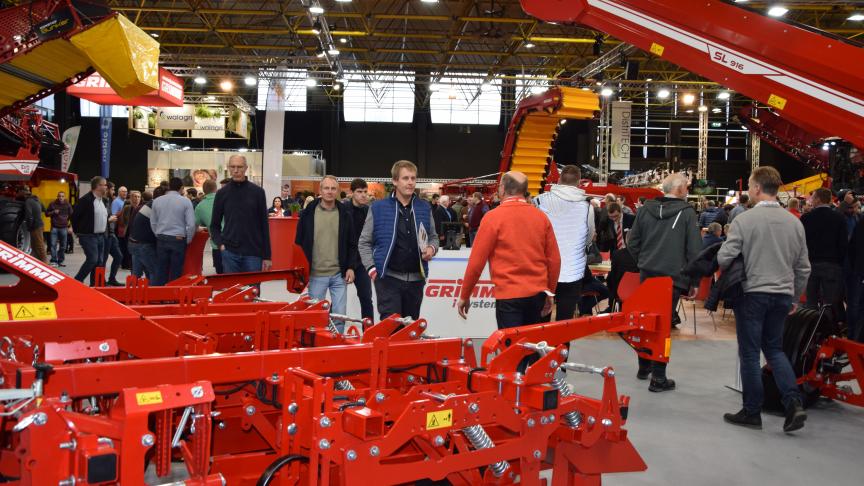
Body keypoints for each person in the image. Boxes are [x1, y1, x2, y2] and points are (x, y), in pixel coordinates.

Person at [717, 166, 810, 433]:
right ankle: (793, 403)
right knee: (775, 350)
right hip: (782, 296)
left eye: (749, 184)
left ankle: (752, 411)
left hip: (753, 294)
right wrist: (793, 296)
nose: (748, 189)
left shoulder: (744, 221)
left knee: (748, 353)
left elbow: (725, 257)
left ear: (757, 188)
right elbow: (803, 267)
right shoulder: (795, 222)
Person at [457, 171, 560, 328]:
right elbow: (554, 260)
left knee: (511, 349)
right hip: (537, 294)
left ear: (502, 189)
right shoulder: (541, 217)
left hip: (509, 296)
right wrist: (550, 291)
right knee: (532, 347)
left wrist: (465, 294)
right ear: (524, 190)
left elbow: (476, 263)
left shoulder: (492, 218)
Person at [628, 173, 702, 392]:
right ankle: (658, 377)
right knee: (663, 328)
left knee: (646, 323)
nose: (688, 190)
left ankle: (644, 367)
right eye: (686, 187)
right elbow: (695, 250)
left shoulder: (643, 210)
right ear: (679, 190)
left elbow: (632, 243)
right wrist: (694, 279)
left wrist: (643, 262)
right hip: (673, 278)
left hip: (647, 275)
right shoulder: (688, 214)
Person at [359, 160, 438, 321]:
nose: (410, 182)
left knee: (410, 330)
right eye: (405, 178)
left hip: (416, 281)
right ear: (395, 181)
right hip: (388, 280)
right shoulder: (378, 208)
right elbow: (364, 242)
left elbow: (434, 237)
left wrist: (431, 248)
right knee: (390, 328)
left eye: (413, 178)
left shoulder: (424, 207)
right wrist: (373, 270)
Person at [295, 175, 357, 330]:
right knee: (315, 317)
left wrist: (350, 267)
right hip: (316, 274)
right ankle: (316, 350)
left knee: (339, 317)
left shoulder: (345, 215)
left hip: (339, 275)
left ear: (337, 191)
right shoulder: (308, 214)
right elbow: (299, 242)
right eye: (326, 188)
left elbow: (352, 243)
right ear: (320, 190)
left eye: (333, 188)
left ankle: (337, 349)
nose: (330, 191)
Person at [534, 165, 595, 321]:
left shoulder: (539, 201)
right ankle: (563, 346)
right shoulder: (588, 207)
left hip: (544, 271)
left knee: (541, 321)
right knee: (565, 324)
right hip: (573, 272)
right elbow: (589, 237)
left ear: (559, 180)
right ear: (579, 183)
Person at [210, 155, 271, 274]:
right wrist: (220, 245)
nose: (236, 170)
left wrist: (267, 256)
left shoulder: (258, 192)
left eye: (239, 167)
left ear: (246, 168)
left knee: (253, 291)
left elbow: (264, 225)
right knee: (233, 291)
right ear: (228, 168)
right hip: (229, 252)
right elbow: (214, 225)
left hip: (253, 253)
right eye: (232, 167)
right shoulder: (222, 193)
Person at [800, 187, 847, 321]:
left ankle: (810, 333)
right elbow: (843, 244)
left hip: (810, 264)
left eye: (813, 197)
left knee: (810, 303)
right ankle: (827, 333)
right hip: (832, 265)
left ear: (818, 199)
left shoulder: (806, 218)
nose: (810, 200)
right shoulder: (839, 217)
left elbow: (801, 243)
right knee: (829, 303)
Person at [150, 177, 196, 285]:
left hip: (162, 238)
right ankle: (172, 297)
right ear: (182, 188)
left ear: (169, 187)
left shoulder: (157, 201)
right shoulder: (186, 201)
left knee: (161, 269)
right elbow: (191, 224)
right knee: (176, 271)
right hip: (178, 238)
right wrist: (188, 239)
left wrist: (158, 234)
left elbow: (153, 222)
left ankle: (159, 296)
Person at [71, 176, 110, 285]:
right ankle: (77, 280)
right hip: (88, 236)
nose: (106, 187)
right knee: (92, 259)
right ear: (98, 186)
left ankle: (95, 285)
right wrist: (77, 232)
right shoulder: (86, 200)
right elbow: (74, 217)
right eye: (104, 185)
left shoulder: (102, 200)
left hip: (101, 236)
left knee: (99, 262)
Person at [348, 178, 374, 320]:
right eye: (359, 192)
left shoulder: (369, 210)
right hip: (345, 262)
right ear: (352, 193)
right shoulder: (343, 210)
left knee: (366, 299)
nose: (363, 195)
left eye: (365, 192)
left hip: (363, 263)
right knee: (338, 299)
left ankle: (369, 334)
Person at [127, 191, 158, 280]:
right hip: (143, 244)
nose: (136, 198)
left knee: (136, 273)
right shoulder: (148, 208)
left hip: (134, 241)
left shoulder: (141, 208)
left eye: (138, 197)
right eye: (134, 196)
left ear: (142, 198)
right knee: (154, 271)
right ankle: (152, 293)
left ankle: (132, 292)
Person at [194, 180, 222, 274]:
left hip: (217, 244)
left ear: (204, 190)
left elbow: (194, 226)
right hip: (233, 242)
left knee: (221, 273)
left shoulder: (200, 206)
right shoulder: (224, 200)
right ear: (216, 188)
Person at [17, 186, 47, 263]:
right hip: (39, 224)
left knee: (39, 245)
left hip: (35, 225)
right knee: (34, 245)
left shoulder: (28, 201)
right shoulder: (37, 199)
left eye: (19, 191)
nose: (18, 193)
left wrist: (29, 226)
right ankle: (35, 261)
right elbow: (44, 209)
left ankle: (46, 264)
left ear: (23, 192)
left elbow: (29, 216)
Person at [46, 190, 73, 267]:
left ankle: (60, 261)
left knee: (63, 246)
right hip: (54, 227)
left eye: (62, 196)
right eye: (59, 196)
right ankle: (54, 261)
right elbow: (46, 214)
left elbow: (72, 216)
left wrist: (70, 226)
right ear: (57, 197)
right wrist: (53, 212)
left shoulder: (67, 205)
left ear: (64, 197)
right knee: (53, 245)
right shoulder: (52, 204)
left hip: (64, 228)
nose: (61, 197)